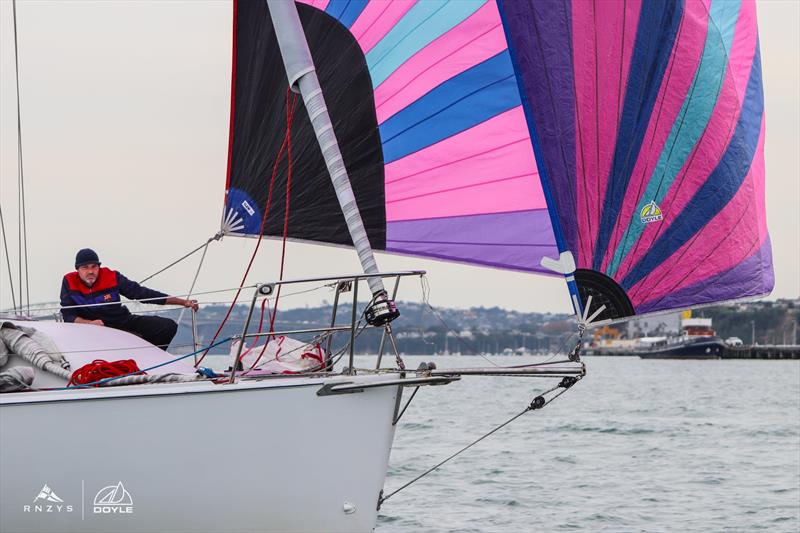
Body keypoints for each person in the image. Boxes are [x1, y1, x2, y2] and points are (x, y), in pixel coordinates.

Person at [60, 248, 198, 349]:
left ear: (99, 267)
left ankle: (150, 361)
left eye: (94, 266)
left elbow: (142, 293)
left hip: (121, 321)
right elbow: (68, 315)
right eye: (85, 267)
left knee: (167, 326)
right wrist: (90, 323)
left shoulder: (112, 277)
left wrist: (183, 302)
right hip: (91, 329)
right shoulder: (69, 281)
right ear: (77, 269)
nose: (90, 271)